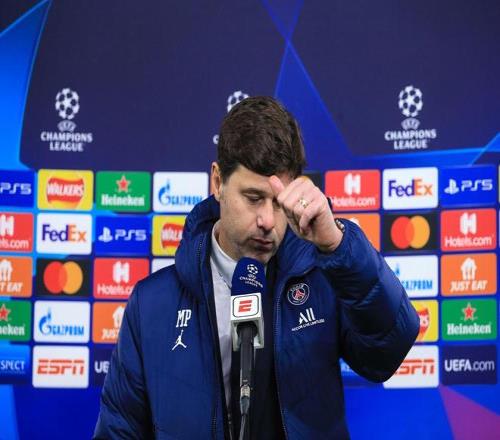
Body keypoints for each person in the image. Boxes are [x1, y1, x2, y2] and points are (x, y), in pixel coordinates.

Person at [94, 96, 419, 439]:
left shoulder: (324, 276)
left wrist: (337, 246)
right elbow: (118, 432)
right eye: (253, 198)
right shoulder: (151, 304)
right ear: (217, 182)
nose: (267, 221)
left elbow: (386, 354)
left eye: (278, 202)